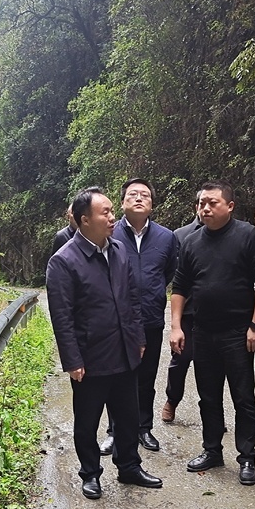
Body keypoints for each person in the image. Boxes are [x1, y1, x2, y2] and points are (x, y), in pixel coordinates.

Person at [45, 187, 163, 499]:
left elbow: (132, 299)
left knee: (128, 415)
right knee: (87, 421)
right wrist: (72, 360)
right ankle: (90, 473)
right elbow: (62, 316)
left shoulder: (119, 250)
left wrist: (138, 338)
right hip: (90, 356)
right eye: (105, 212)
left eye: (112, 211)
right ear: (85, 220)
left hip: (124, 350)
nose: (113, 218)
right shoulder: (64, 261)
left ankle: (129, 466)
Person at [170, 181, 255, 485]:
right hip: (202, 331)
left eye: (212, 203)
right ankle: (212, 449)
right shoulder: (191, 241)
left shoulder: (248, 235)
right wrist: (176, 326)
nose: (206, 208)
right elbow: (180, 286)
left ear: (230, 206)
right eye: (202, 203)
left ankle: (247, 457)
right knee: (208, 395)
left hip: (238, 332)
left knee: (243, 397)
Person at [99, 179, 179, 453]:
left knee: (146, 378)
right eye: (132, 194)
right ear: (122, 203)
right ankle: (115, 431)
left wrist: (152, 293)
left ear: (152, 204)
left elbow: (168, 272)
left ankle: (144, 428)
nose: (138, 198)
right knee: (117, 377)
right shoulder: (109, 234)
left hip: (151, 318)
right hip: (116, 322)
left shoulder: (166, 237)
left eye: (144, 195)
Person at [161, 201, 203, 422]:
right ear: (195, 206)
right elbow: (175, 273)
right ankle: (172, 400)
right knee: (180, 359)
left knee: (212, 366)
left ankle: (212, 412)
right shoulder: (181, 235)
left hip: (215, 313)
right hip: (188, 310)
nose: (207, 208)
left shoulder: (231, 235)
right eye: (203, 203)